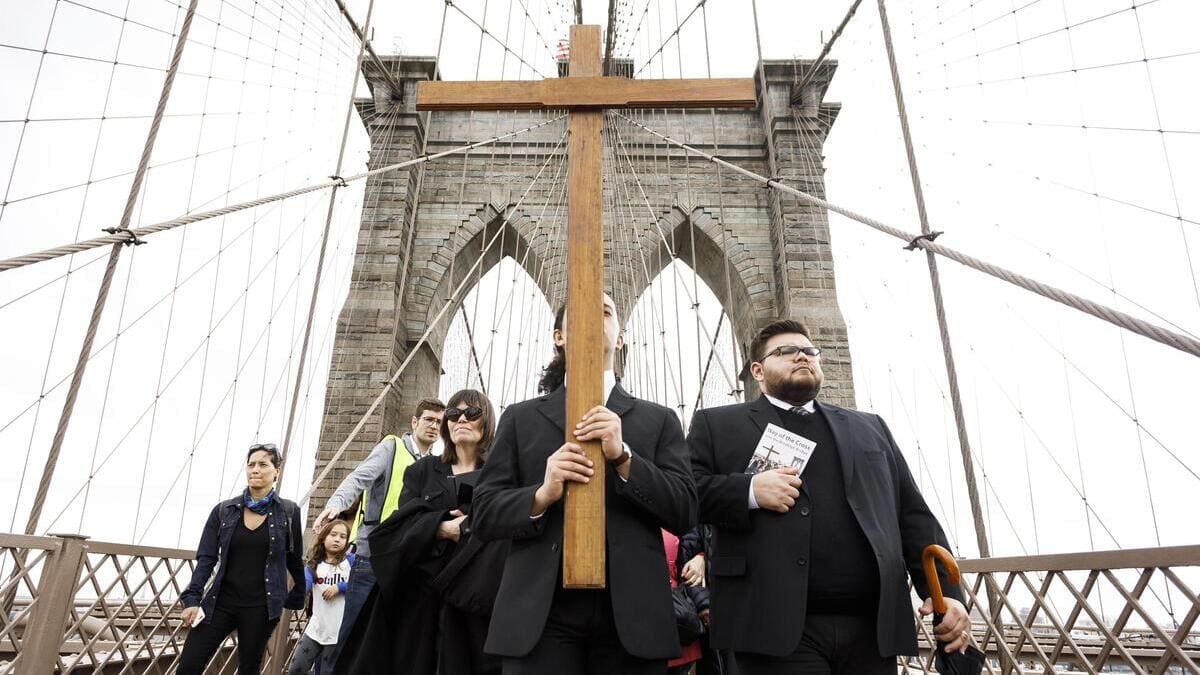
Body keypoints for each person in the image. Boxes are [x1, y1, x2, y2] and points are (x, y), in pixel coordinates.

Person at [689, 319, 972, 675]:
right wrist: (748, 491)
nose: (801, 356)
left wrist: (945, 593)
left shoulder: (870, 426)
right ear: (757, 371)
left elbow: (911, 515)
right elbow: (685, 497)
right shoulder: (717, 424)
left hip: (871, 628)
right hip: (773, 628)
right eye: (786, 351)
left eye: (809, 351)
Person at [472, 294, 697, 675]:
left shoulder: (659, 420)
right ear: (558, 336)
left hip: (633, 617)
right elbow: (483, 513)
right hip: (540, 616)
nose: (594, 317)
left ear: (620, 338)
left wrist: (625, 457)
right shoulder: (519, 418)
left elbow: (685, 511)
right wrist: (541, 494)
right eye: (582, 311)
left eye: (605, 311)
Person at [335, 389, 507, 675]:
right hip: (421, 598)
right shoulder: (422, 471)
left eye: (472, 413)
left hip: (477, 597)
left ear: (487, 420)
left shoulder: (502, 474)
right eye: (454, 414)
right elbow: (399, 526)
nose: (461, 419)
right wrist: (439, 527)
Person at [312, 397, 445, 667]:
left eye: (440, 423)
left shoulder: (434, 465)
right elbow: (360, 477)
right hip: (373, 557)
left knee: (388, 640)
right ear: (414, 422)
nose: (434, 426)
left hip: (406, 560)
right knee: (349, 636)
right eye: (429, 419)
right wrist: (335, 504)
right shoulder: (392, 447)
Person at [178, 443, 304, 674]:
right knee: (188, 666)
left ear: (276, 472)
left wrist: (298, 595)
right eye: (251, 464)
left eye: (263, 464)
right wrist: (192, 598)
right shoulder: (224, 510)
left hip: (261, 607)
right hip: (220, 602)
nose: (255, 469)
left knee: (248, 668)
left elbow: (294, 558)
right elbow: (206, 558)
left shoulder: (289, 512)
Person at [288, 519, 354, 675]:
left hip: (338, 632)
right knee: (295, 669)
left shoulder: (352, 562)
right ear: (324, 537)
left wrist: (339, 587)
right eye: (333, 534)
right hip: (316, 629)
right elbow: (305, 584)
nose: (337, 539)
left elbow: (360, 584)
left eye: (343, 536)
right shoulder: (314, 565)